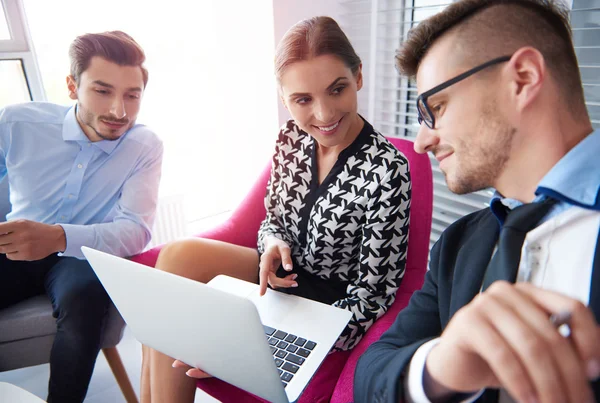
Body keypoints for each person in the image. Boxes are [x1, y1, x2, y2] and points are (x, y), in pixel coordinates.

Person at [140, 16, 412, 403]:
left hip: (325, 306)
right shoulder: (290, 138)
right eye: (303, 99)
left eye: (337, 89)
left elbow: (374, 296)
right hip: (276, 281)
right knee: (176, 261)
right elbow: (273, 221)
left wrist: (263, 342)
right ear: (284, 97)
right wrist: (270, 245)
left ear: (359, 78)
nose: (323, 114)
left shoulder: (388, 170)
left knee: (175, 326)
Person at [354, 0, 600, 402]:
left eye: (436, 107)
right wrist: (437, 369)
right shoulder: (457, 245)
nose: (420, 142)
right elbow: (372, 375)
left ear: (522, 78)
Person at [0, 31, 163, 403]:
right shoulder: (15, 123)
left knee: (86, 299)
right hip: (11, 246)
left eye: (132, 95)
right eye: (103, 91)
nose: (119, 111)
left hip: (79, 255)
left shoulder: (144, 147)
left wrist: (58, 237)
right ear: (72, 86)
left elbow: (136, 230)